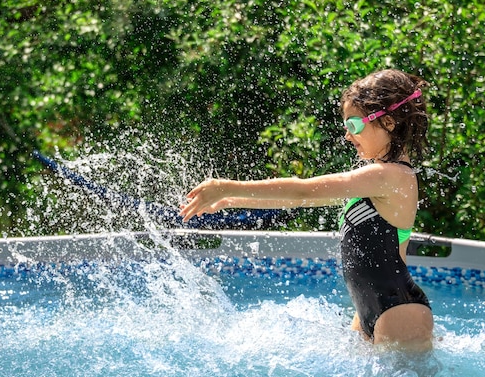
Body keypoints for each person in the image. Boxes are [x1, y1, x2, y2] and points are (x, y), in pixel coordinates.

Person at [179, 69, 434, 351]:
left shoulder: (391, 176)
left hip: (399, 311)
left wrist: (228, 186)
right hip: (371, 311)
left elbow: (302, 190)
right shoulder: (378, 178)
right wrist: (233, 201)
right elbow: (302, 199)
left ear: (387, 121)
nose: (349, 136)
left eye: (355, 125)